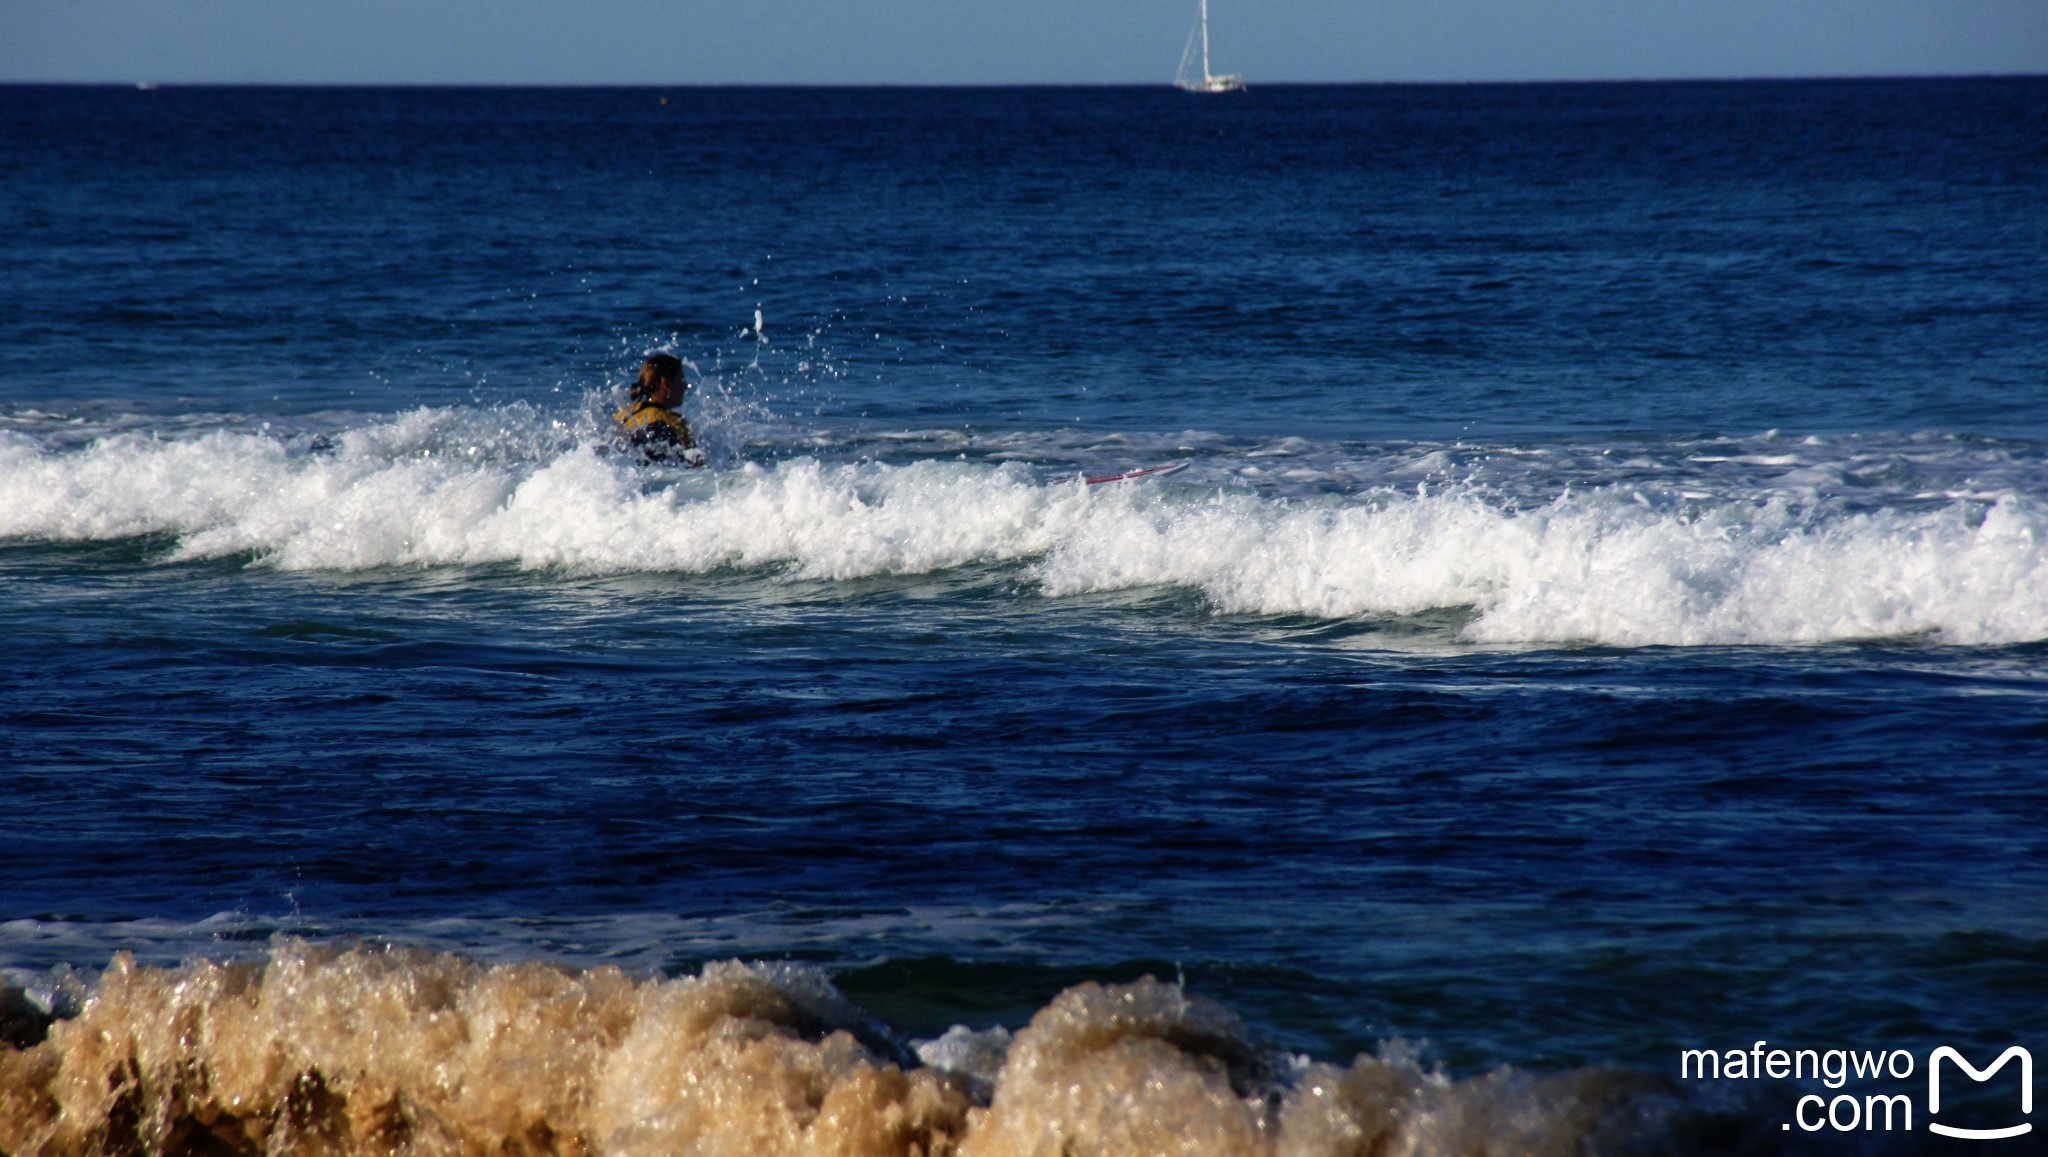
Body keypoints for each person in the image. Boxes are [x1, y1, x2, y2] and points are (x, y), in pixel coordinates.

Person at [614, 354, 704, 465]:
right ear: (665, 383)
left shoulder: (623, 414)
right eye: (681, 380)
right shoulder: (673, 421)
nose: (685, 386)